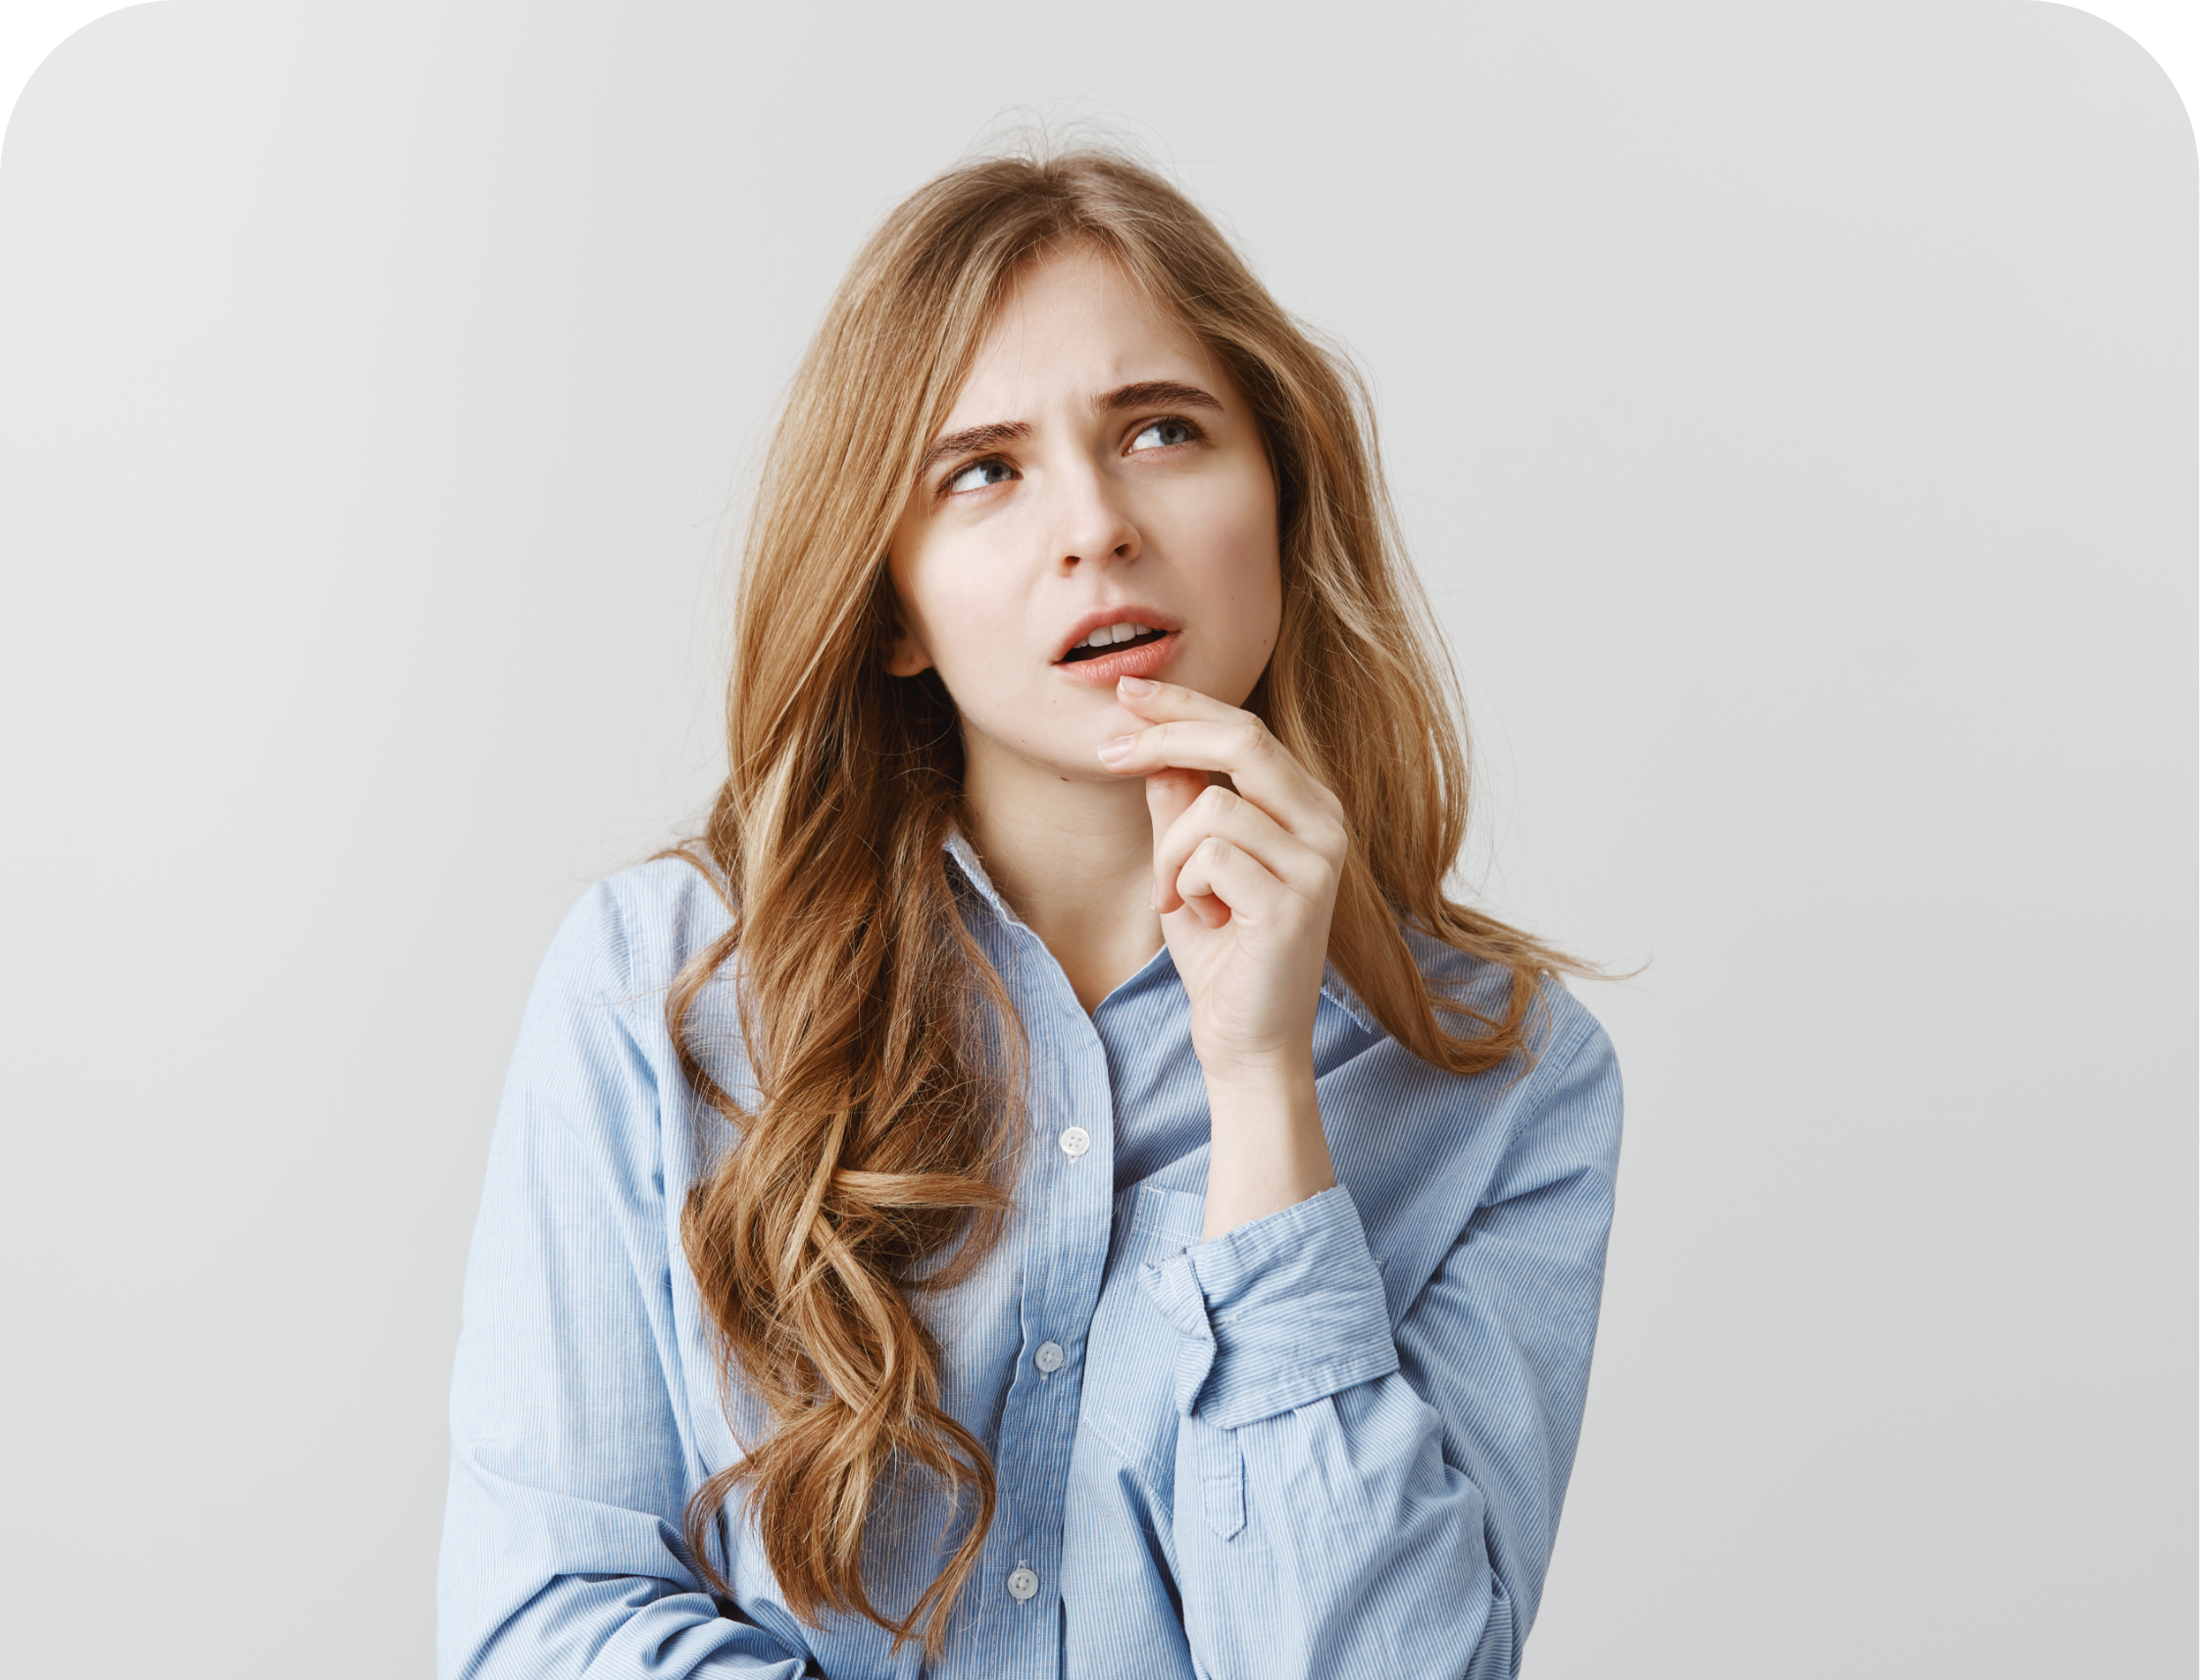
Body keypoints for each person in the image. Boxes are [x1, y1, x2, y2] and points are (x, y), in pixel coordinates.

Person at [437, 146, 1623, 1680]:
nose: (1097, 525)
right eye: (984, 469)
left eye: (1163, 431)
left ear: (1277, 494)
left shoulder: (1507, 1081)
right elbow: (549, 1626)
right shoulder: (658, 984)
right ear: (896, 608)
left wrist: (1266, 1092)